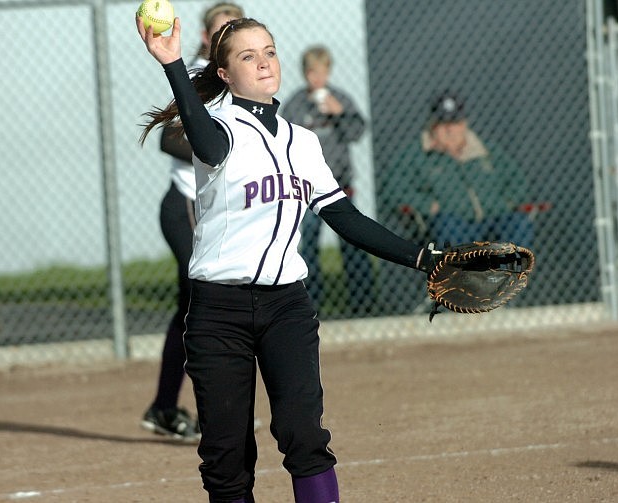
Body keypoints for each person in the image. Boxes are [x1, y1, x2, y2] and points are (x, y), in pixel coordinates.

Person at [136, 15, 441, 502]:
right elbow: (205, 139)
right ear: (224, 73)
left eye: (270, 52)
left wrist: (423, 257)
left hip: (287, 309)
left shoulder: (304, 141)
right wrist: (172, 62)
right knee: (227, 457)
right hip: (219, 311)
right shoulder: (217, 129)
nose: (264, 63)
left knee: (305, 437)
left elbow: (346, 217)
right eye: (247, 56)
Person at [140, 2, 246, 444]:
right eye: (221, 31)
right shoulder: (201, 76)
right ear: (205, 38)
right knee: (202, 302)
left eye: (235, 30)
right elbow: (169, 137)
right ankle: (176, 408)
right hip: (186, 207)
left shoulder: (239, 79)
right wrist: (223, 156)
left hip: (217, 211)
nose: (228, 38)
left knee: (208, 304)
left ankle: (175, 408)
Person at [280, 46, 375, 315]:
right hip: (306, 190)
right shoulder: (296, 104)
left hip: (340, 185)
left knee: (354, 244)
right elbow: (283, 140)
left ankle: (364, 304)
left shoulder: (340, 98)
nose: (317, 79)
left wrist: (339, 112)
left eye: (322, 72)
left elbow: (357, 132)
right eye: (312, 72)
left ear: (328, 72)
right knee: (307, 247)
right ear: (304, 74)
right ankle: (311, 306)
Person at [382, 90, 534, 248]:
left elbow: (518, 181)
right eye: (444, 124)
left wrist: (506, 202)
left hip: (494, 217)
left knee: (518, 223)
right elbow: (393, 190)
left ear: (464, 124)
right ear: (433, 126)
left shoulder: (486, 151)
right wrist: (428, 206)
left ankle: (506, 273)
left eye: (455, 123)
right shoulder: (417, 155)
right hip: (453, 221)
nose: (450, 130)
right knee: (448, 225)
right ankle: (461, 272)